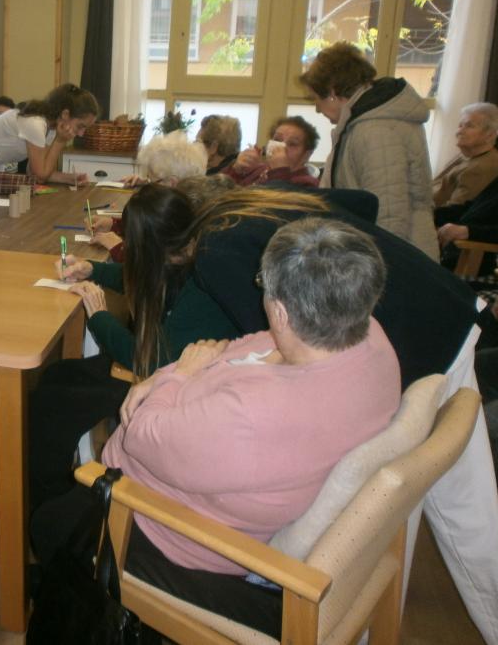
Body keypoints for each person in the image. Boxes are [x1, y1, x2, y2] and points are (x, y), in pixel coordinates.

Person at [43, 218, 399, 639]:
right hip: (207, 475)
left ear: (281, 312)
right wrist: (178, 375)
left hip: (172, 535)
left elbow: (139, 432)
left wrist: (176, 377)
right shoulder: (368, 339)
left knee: (50, 523)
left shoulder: (253, 415)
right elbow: (241, 345)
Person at [185, 185, 498, 645]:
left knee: (380, 525)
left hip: (413, 350)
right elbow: (365, 203)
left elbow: (277, 337)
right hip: (445, 308)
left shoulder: (215, 248)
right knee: (468, 508)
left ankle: (366, 632)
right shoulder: (261, 198)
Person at [27, 184, 239, 514]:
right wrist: (93, 269)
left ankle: (45, 508)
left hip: (168, 388)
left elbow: (148, 360)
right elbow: (145, 278)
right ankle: (51, 495)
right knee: (56, 377)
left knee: (52, 402)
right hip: (164, 368)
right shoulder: (187, 258)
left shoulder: (200, 293)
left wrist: (99, 315)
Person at [300, 41, 437, 259]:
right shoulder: (364, 122)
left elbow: (389, 215)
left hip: (397, 257)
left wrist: (374, 268)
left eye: (316, 99)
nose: (317, 109)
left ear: (332, 92)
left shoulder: (377, 130)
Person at [91, 131, 208, 259]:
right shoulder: (184, 207)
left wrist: (119, 249)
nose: (148, 186)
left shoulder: (184, 223)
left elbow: (154, 266)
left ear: (171, 183)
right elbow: (150, 229)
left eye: (152, 181)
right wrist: (115, 225)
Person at [0, 83, 99, 184]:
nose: (81, 133)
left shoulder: (51, 127)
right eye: (81, 126)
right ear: (65, 114)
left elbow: (33, 172)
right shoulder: (35, 123)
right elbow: (40, 175)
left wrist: (69, 178)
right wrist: (60, 142)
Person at [222, 115, 320, 188]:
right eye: (277, 140)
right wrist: (235, 170)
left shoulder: (307, 183)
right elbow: (219, 190)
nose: (282, 147)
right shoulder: (258, 169)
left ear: (306, 154)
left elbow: (276, 203)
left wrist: (279, 171)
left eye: (292, 144)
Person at [432, 102, 498, 208]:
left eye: (469, 126)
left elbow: (452, 212)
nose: (459, 131)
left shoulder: (481, 169)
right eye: (460, 125)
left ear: (490, 135)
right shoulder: (467, 154)